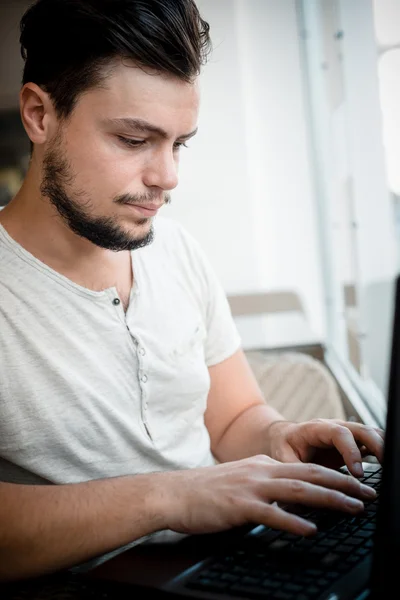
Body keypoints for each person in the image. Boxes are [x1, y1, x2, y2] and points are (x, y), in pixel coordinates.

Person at [0, 0, 383, 583]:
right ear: (39, 115)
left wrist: (278, 436)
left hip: (226, 565)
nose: (167, 177)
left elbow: (233, 419)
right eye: (134, 139)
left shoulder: (176, 250)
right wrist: (173, 497)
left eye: (179, 144)